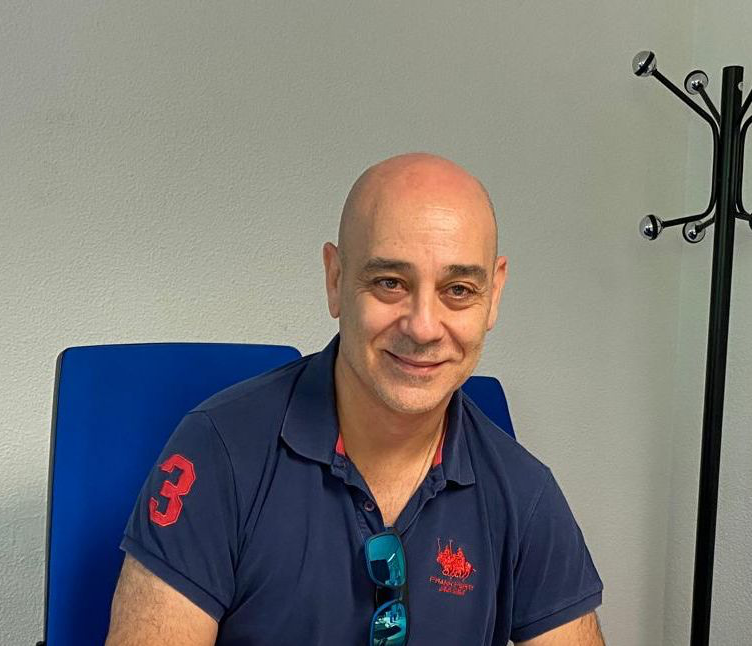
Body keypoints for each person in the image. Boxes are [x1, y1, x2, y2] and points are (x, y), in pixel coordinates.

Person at [105, 153, 605, 645]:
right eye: (390, 283)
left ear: (493, 295)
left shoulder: (525, 494)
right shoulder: (218, 452)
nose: (424, 327)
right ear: (336, 279)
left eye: (457, 290)